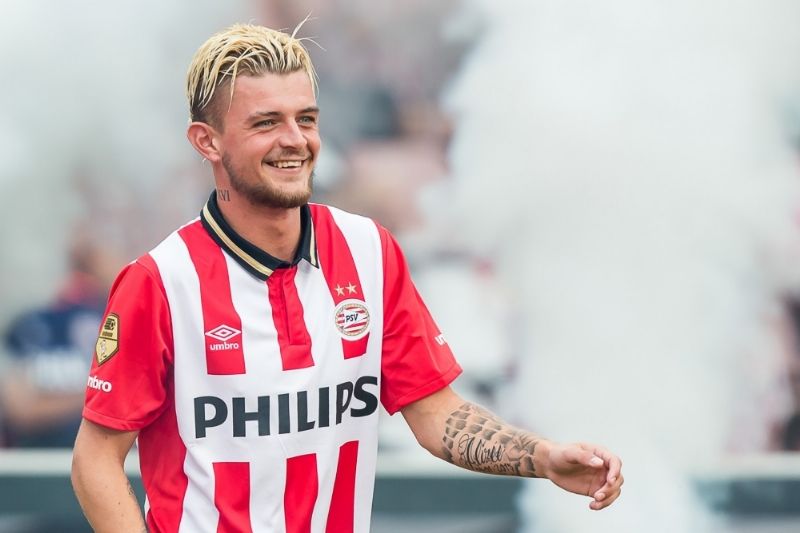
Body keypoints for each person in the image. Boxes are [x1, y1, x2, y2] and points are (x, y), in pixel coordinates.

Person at [70, 23, 624, 532]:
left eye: (306, 119)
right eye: (266, 122)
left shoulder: (369, 251)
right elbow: (94, 461)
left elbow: (436, 413)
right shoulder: (159, 281)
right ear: (207, 141)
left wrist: (543, 457)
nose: (295, 139)